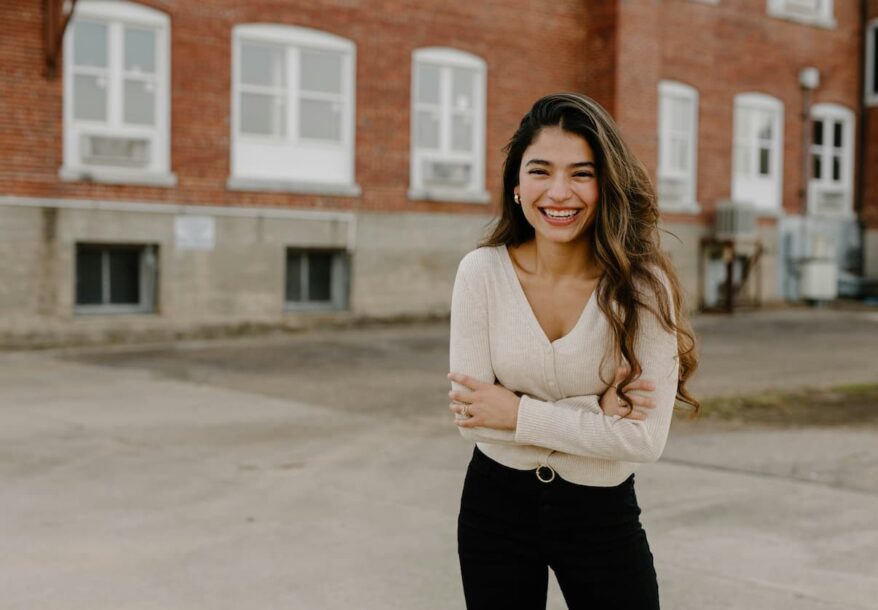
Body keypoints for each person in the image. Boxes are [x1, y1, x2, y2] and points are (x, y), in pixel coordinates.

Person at [446, 92, 699, 610]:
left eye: (581, 173)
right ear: (516, 185)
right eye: (540, 170)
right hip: (495, 509)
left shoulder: (643, 287)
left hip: (600, 514)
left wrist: (516, 410)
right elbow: (475, 419)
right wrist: (593, 415)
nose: (559, 192)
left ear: (605, 184)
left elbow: (645, 440)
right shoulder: (481, 274)